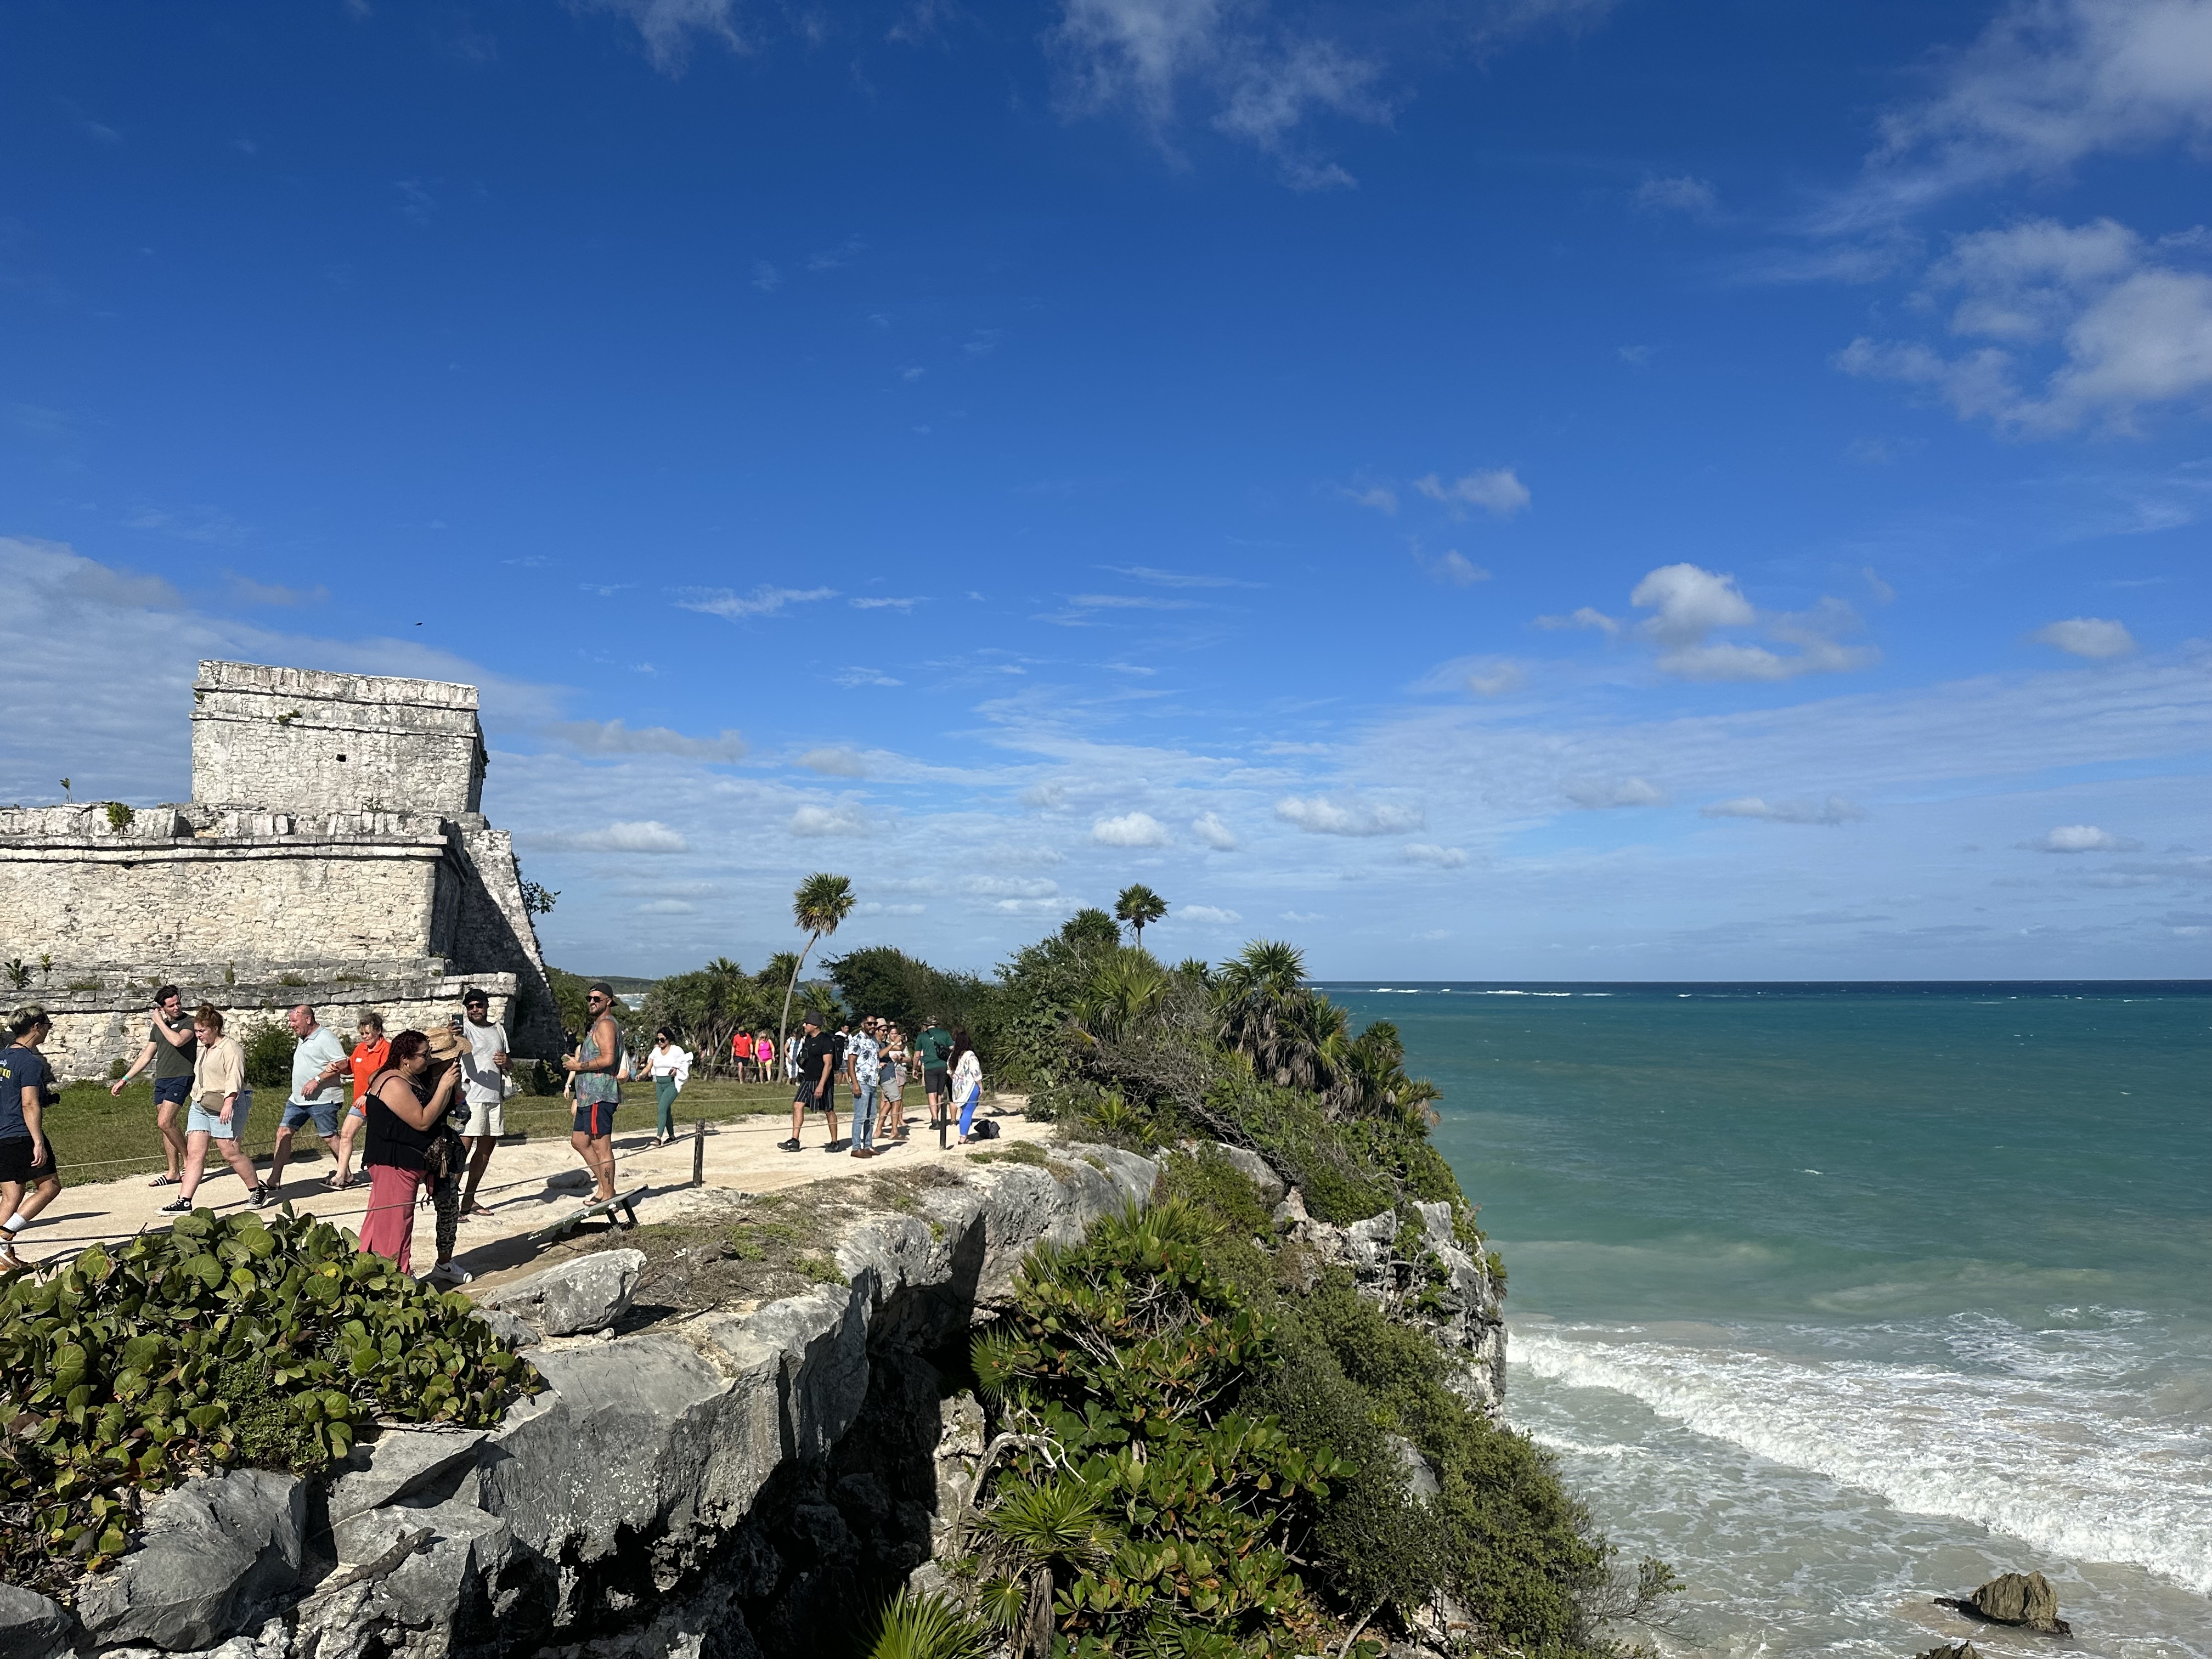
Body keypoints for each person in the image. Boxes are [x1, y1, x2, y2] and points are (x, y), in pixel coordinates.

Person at [357, 1028, 471, 1282]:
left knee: (385, 1221)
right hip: (394, 1161)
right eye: (424, 1054)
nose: (428, 1059)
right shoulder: (394, 1082)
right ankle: (396, 1278)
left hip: (406, 1160)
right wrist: (443, 1087)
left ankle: (374, 1274)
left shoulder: (410, 1077)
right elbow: (421, 1121)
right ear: (406, 1058)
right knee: (395, 1222)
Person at [160, 1005, 262, 1213]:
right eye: (197, 1031)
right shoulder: (206, 1049)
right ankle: (184, 1200)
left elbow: (235, 1077)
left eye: (202, 1031)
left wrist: (229, 1103)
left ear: (215, 1028)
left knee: (230, 1153)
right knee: (195, 1153)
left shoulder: (231, 1048)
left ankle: (256, 1190)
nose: (198, 1035)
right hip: (201, 1105)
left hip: (224, 1105)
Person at [110, 985, 196, 1187]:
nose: (176, 1007)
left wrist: (159, 1021)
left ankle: (190, 1162)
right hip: (163, 1079)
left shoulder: (189, 1022)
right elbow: (147, 1056)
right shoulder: (159, 1027)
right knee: (166, 1126)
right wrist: (125, 1079)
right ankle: (173, 1172)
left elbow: (178, 1041)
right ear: (162, 1007)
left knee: (165, 1122)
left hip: (182, 1076)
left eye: (178, 1003)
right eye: (171, 1005)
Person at [0, 1007, 63, 1271]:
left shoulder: (3, 1057)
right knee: (50, 1187)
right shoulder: (30, 1062)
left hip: (1, 1134)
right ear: (36, 1027)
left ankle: (3, 1255)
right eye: (47, 1024)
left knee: (11, 1193)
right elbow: (29, 1103)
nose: (49, 1028)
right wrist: (38, 1141)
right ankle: (5, 1235)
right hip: (20, 1134)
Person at [266, 1005, 348, 1196]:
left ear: (308, 1019)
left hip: (323, 1099)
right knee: (283, 1132)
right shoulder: (304, 1039)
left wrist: (317, 1080)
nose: (291, 1025)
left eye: (294, 1021)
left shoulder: (325, 1038)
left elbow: (343, 1063)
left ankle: (346, 1174)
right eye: (291, 1021)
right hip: (298, 1100)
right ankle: (274, 1179)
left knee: (329, 1136)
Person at [561, 982, 623, 1201]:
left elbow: (608, 1058)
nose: (592, 1002)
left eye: (597, 999)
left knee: (601, 1145)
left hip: (600, 1095)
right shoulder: (597, 1025)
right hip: (588, 1096)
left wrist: (578, 1066)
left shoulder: (606, 1025)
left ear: (609, 1001)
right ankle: (607, 1189)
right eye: (590, 999)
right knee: (579, 1141)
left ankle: (607, 1194)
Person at [455, 988, 510, 1218]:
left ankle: (469, 1200)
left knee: (486, 1151)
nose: (475, 1009)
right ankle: (450, 1201)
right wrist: (451, 1031)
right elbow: (448, 1041)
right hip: (471, 1097)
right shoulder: (464, 1028)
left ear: (487, 1006)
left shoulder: (499, 1029)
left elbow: (509, 1063)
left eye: (479, 1005)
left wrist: (507, 1061)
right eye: (470, 1006)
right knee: (462, 1150)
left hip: (493, 1097)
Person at [330, 1011, 388, 1189]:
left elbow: (383, 1075)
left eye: (368, 1033)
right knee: (346, 1134)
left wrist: (368, 1095)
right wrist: (338, 1067)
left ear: (378, 1031)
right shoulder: (360, 1049)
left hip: (380, 1102)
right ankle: (342, 1176)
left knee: (380, 1140)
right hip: (359, 1102)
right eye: (362, 1033)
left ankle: (382, 1178)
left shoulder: (387, 1049)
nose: (365, 1037)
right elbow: (352, 1068)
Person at [782, 1011, 840, 1152]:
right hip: (807, 1080)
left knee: (828, 1110)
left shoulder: (826, 1041)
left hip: (823, 1081)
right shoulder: (808, 1039)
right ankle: (795, 1140)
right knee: (797, 1104)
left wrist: (821, 1085)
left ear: (815, 1025)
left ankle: (834, 1141)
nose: (804, 1025)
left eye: (807, 1023)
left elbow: (829, 1065)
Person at [644, 1026, 690, 1146]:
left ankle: (658, 1138)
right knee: (666, 1110)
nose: (660, 1042)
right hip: (659, 1084)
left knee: (662, 1108)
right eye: (658, 1040)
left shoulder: (677, 1050)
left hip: (672, 1083)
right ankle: (672, 1137)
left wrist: (676, 1069)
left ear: (668, 1039)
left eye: (662, 1040)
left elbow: (686, 1062)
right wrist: (641, 1074)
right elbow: (649, 1066)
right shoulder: (655, 1051)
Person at [845, 1016, 881, 1159]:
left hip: (873, 1082)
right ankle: (856, 1147)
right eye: (870, 1023)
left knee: (871, 1117)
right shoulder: (856, 1040)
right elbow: (851, 1063)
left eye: (875, 1023)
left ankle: (868, 1145)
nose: (873, 1026)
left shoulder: (873, 1041)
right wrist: (855, 1083)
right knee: (860, 1116)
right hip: (861, 1082)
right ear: (863, 1025)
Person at [915, 1015, 954, 1130]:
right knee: (940, 1093)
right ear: (937, 1024)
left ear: (926, 1025)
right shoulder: (945, 1034)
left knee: (932, 1093)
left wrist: (914, 1068)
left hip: (930, 1066)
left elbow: (917, 1055)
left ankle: (935, 1120)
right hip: (943, 1066)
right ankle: (936, 1115)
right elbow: (952, 1048)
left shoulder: (922, 1036)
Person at [951, 1028, 984, 1144]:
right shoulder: (970, 1055)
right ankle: (963, 1137)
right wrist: (980, 1086)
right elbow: (976, 1072)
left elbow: (950, 1072)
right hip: (970, 1086)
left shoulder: (954, 1056)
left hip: (958, 1088)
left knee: (964, 1111)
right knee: (969, 1111)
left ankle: (963, 1134)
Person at [879, 1024, 909, 1143]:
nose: (886, 1033)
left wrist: (903, 1042)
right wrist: (894, 1043)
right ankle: (894, 1131)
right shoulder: (880, 1043)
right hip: (888, 1076)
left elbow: (901, 1049)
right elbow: (881, 1054)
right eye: (884, 1031)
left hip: (895, 1074)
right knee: (895, 1101)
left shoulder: (884, 1044)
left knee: (890, 1103)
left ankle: (878, 1130)